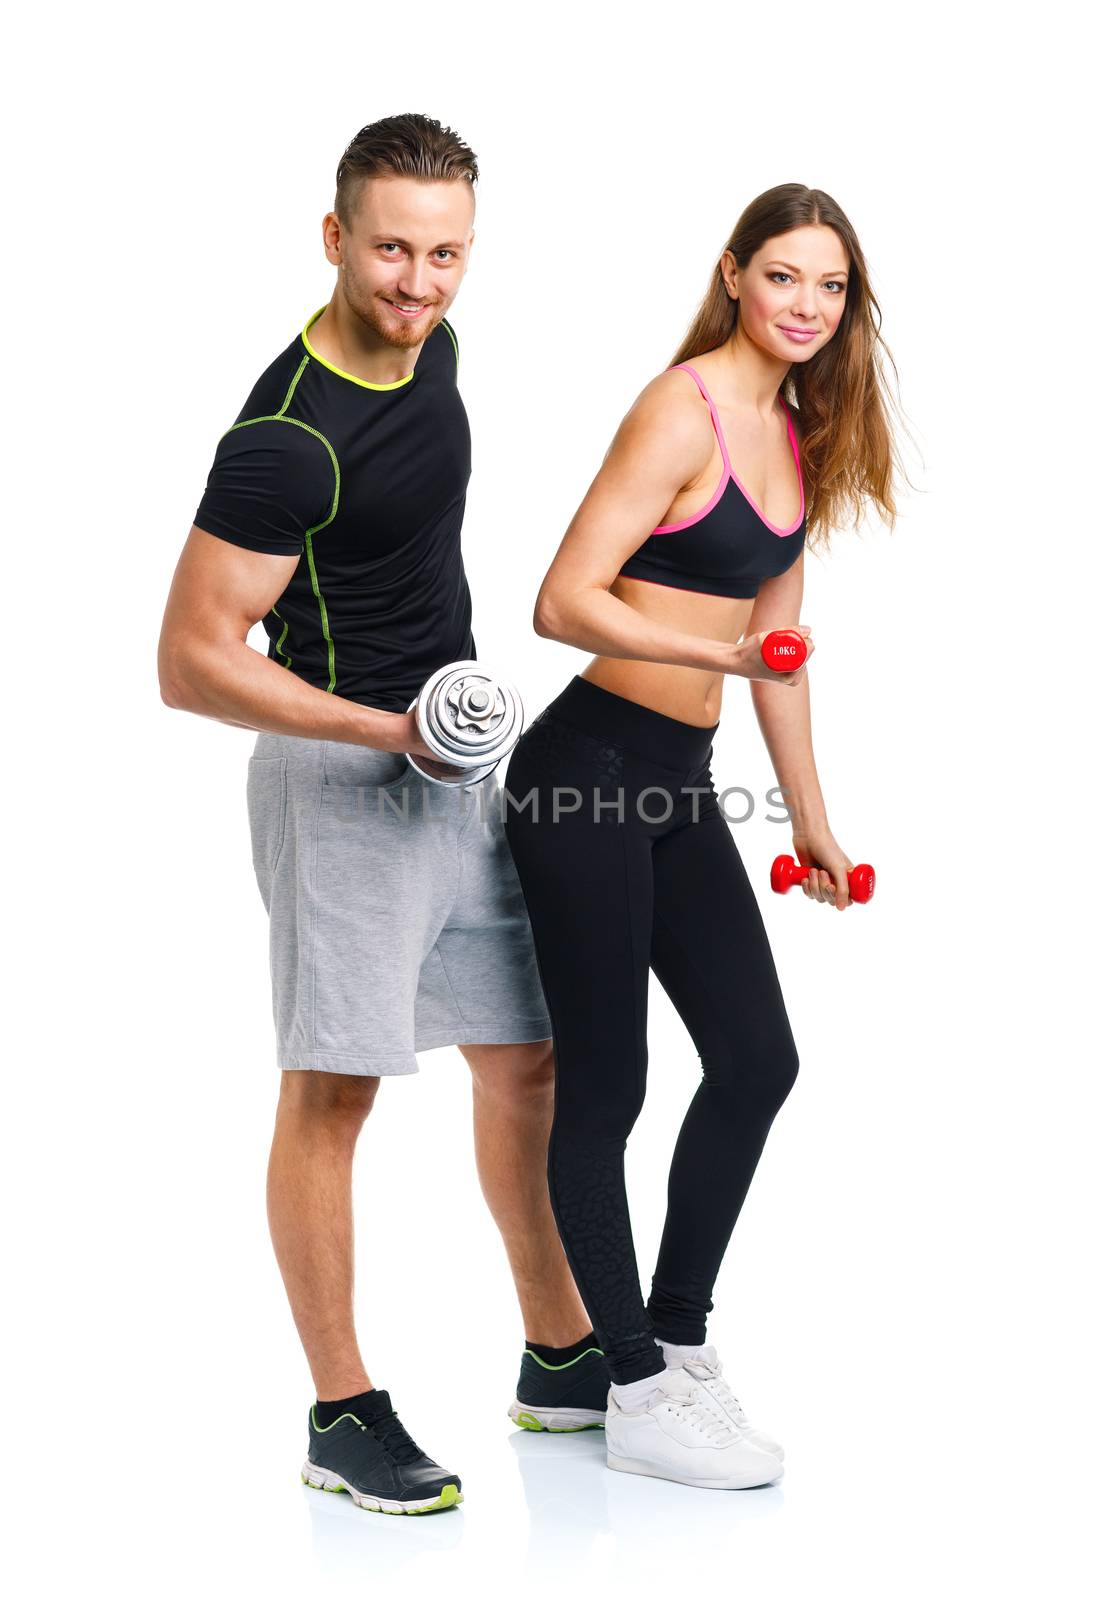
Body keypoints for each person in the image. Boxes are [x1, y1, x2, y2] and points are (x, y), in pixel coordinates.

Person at [157, 113, 607, 1518]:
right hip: (342, 781)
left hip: (455, 765)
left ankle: (560, 1354)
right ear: (335, 236)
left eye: (447, 253)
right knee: (337, 1090)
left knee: (526, 1058)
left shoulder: (436, 348)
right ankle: (343, 1413)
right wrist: (385, 732)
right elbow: (190, 660)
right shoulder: (285, 439)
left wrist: (449, 734)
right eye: (393, 249)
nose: (419, 283)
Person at [503, 184, 899, 1490]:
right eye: (784, 276)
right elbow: (564, 598)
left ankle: (675, 1340)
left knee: (754, 1059)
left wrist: (819, 824)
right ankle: (628, 1385)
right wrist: (707, 645)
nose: (806, 305)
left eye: (829, 287)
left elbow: (776, 660)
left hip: (677, 782)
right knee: (605, 1089)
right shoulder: (680, 411)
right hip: (585, 775)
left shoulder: (798, 431)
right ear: (735, 274)